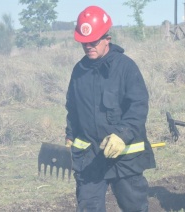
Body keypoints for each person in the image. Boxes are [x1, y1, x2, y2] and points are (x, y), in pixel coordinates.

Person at [64, 5, 156, 212]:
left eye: (94, 41)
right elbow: (73, 108)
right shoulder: (79, 71)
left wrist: (122, 135)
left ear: (107, 38)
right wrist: (70, 136)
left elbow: (138, 107)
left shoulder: (126, 67)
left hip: (124, 156)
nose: (88, 46)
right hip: (88, 158)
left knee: (134, 208)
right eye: (84, 42)